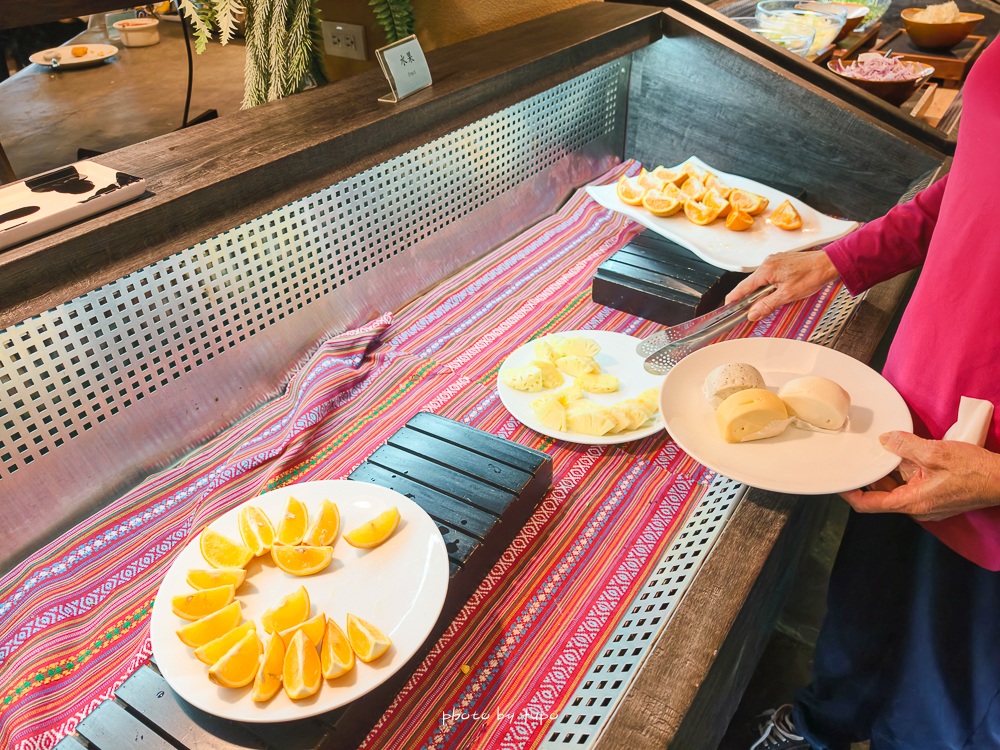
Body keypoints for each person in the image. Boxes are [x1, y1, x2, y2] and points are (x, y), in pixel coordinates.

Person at [729, 34, 1000, 750]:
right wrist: (839, 258)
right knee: (858, 620)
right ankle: (821, 727)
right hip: (912, 411)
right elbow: (975, 180)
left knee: (949, 702)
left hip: (992, 490)